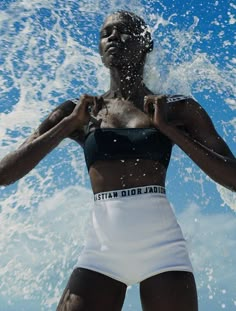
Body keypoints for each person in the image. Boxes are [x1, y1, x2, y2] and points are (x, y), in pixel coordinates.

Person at [0, 10, 235, 311]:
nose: (112, 37)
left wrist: (168, 131)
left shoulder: (178, 109)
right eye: (105, 33)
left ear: (145, 43)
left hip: (164, 253)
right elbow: (5, 173)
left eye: (123, 31)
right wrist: (69, 123)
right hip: (101, 254)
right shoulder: (79, 111)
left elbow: (233, 178)